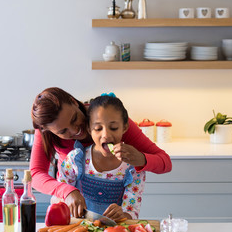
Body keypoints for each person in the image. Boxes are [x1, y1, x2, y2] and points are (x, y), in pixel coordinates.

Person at [30, 87, 171, 218]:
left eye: (74, 119)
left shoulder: (111, 122)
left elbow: (165, 163)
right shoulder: (53, 140)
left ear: (73, 102)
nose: (75, 131)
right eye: (63, 131)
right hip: (70, 206)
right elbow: (35, 174)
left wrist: (141, 159)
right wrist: (66, 191)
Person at [57, 94, 145, 221]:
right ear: (89, 129)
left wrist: (123, 215)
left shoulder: (132, 167)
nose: (106, 135)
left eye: (113, 128)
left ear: (125, 127)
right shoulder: (75, 159)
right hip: (78, 229)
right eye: (98, 128)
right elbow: (61, 194)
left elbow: (132, 210)